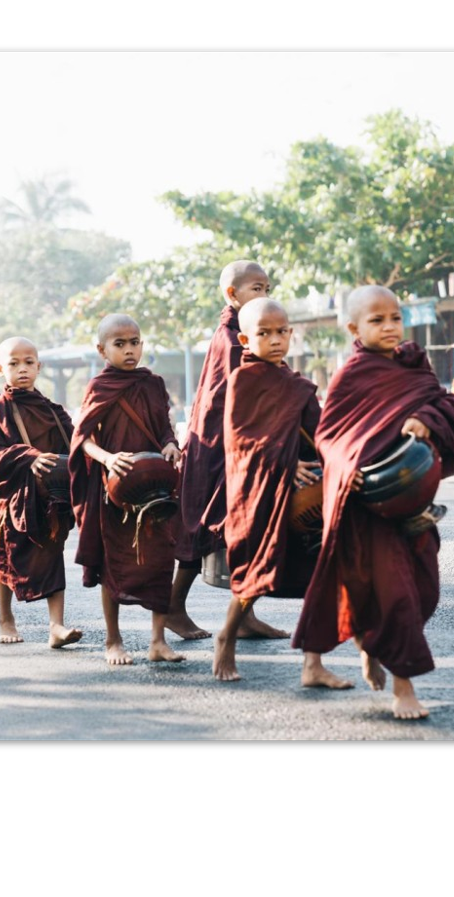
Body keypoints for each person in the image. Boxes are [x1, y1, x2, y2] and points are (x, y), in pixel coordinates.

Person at [293, 285, 454, 718]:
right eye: (376, 320)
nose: (389, 327)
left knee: (421, 591)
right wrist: (346, 467)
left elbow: (453, 411)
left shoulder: (415, 368)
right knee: (394, 594)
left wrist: (426, 419)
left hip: (409, 504)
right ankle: (404, 689)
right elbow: (330, 436)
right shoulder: (351, 375)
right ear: (354, 329)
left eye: (395, 318)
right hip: (366, 505)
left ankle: (371, 647)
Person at [215, 298, 354, 689]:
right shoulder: (243, 381)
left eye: (281, 332)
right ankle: (226, 637)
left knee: (320, 574)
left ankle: (313, 663)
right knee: (255, 572)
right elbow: (239, 438)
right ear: (245, 338)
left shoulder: (296, 385)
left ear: (291, 334)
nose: (274, 340)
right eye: (263, 333)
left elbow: (323, 430)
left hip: (305, 499)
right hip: (259, 493)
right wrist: (285, 460)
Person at [171, 259, 289, 641]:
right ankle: (174, 607)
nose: (264, 295)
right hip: (217, 447)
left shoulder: (248, 329)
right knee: (205, 527)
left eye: (267, 288)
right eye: (256, 288)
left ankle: (245, 615)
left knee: (247, 527)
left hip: (236, 445)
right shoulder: (231, 336)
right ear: (232, 294)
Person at [69, 314, 185, 665]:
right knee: (113, 564)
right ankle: (112, 640)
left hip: (155, 487)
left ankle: (157, 640)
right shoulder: (98, 387)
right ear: (102, 349)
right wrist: (106, 458)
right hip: (115, 491)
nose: (129, 350)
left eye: (134, 342)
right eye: (120, 344)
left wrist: (171, 446)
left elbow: (164, 427)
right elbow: (82, 439)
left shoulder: (153, 383)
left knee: (163, 560)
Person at [0, 337, 82, 648]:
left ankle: (57, 626)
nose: (22, 369)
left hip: (49, 497)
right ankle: (5, 617)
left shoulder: (51, 410)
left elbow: (75, 442)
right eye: (13, 364)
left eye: (28, 363)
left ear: (39, 366)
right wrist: (30, 457)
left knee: (53, 555)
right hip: (14, 493)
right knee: (6, 553)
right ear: (1, 369)